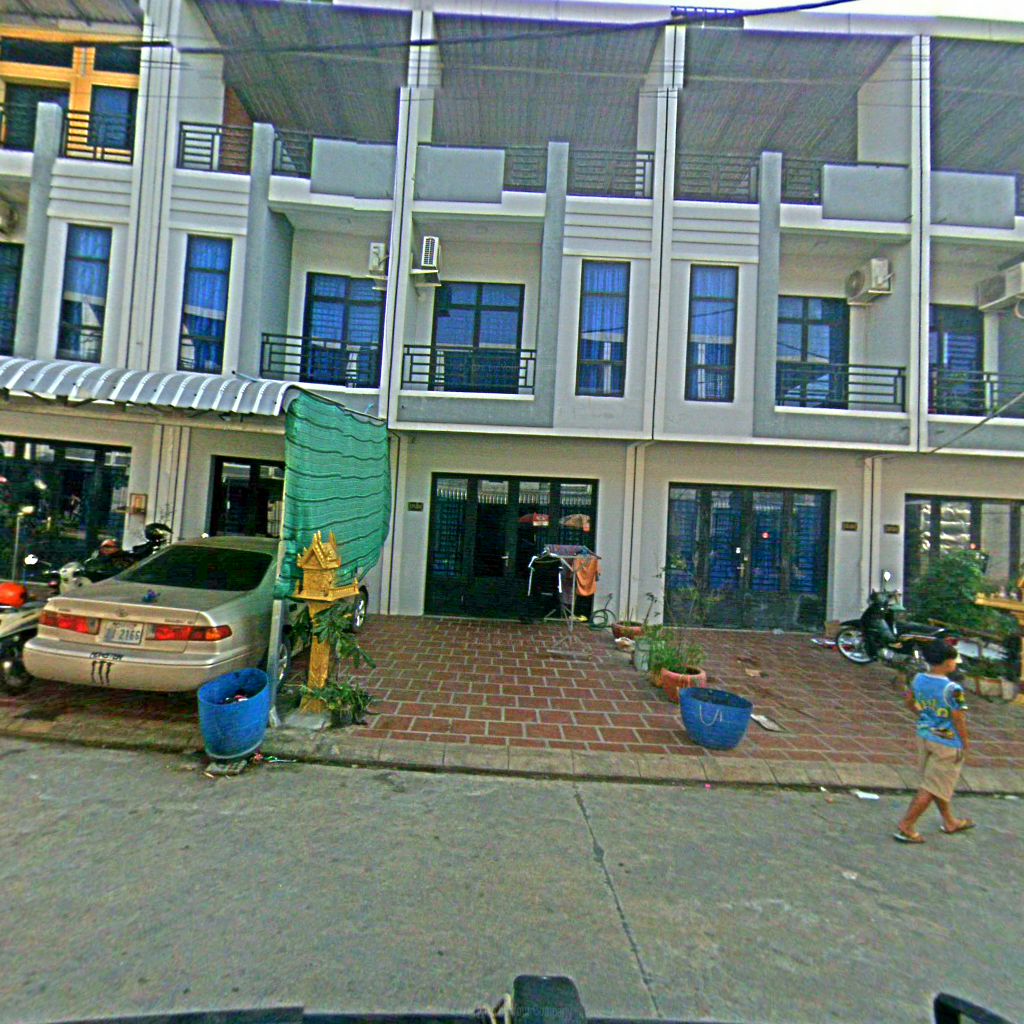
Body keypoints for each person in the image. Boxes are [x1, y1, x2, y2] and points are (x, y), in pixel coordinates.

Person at [894, 638, 975, 843]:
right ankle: (907, 825)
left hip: (925, 735)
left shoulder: (918, 678)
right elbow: (958, 718)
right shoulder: (953, 689)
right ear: (947, 663)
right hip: (948, 742)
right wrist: (965, 742)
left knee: (936, 782)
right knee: (932, 787)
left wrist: (923, 716)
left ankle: (950, 821)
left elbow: (909, 701)